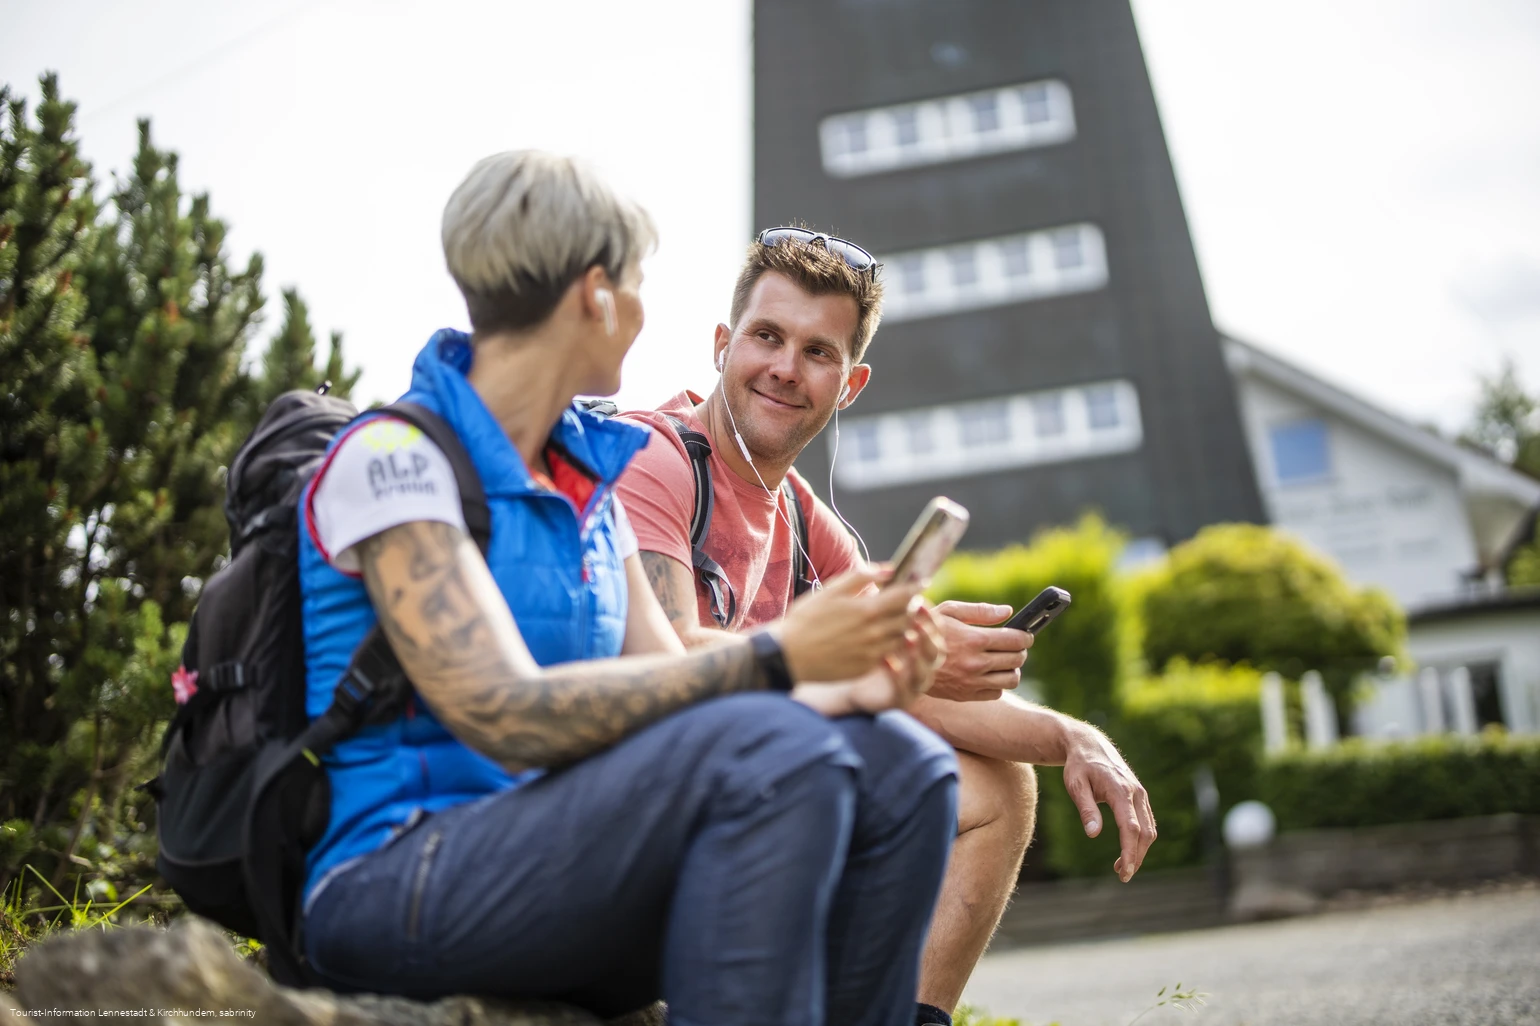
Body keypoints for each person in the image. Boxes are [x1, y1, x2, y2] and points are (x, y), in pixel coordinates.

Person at [296, 154, 962, 1026]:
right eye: (639, 285)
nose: (646, 313)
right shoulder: (395, 462)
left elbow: (672, 675)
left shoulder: (586, 484)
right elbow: (505, 710)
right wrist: (783, 657)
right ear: (595, 294)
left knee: (906, 771)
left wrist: (843, 686)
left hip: (564, 854)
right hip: (400, 877)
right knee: (774, 753)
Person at [616, 228, 1158, 1026]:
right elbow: (666, 664)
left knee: (999, 789)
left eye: (818, 352)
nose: (785, 368)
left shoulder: (809, 526)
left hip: (758, 797)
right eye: (767, 337)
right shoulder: (654, 458)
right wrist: (875, 660)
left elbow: (914, 694)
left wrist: (1071, 737)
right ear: (724, 345)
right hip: (635, 806)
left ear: (851, 383)